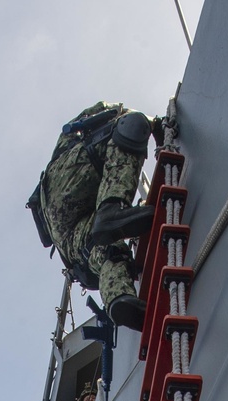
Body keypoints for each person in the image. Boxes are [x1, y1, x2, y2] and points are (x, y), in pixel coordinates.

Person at [28, 102, 159, 330]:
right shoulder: (73, 139)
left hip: (68, 241)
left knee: (109, 248)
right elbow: (116, 113)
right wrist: (156, 125)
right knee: (132, 124)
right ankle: (112, 207)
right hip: (65, 184)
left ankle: (119, 299)